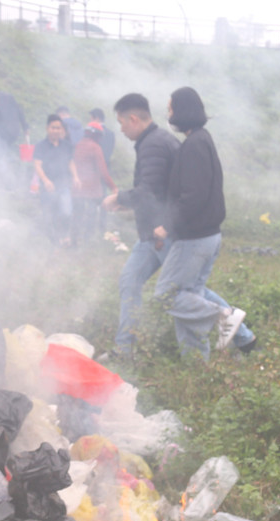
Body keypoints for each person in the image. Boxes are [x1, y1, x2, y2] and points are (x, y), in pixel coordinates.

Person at [102, 93, 255, 361]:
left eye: (121, 123)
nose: (121, 129)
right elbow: (165, 189)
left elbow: (171, 192)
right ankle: (126, 348)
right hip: (156, 231)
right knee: (139, 282)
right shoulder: (168, 141)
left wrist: (123, 200)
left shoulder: (160, 145)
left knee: (180, 293)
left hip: (167, 232)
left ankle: (231, 323)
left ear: (133, 119)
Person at [151, 87, 250, 360]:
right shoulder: (201, 140)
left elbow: (193, 197)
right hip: (208, 235)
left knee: (167, 295)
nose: (169, 114)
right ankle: (196, 365)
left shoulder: (194, 146)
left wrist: (167, 225)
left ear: (182, 111)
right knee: (190, 295)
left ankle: (224, 315)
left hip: (194, 238)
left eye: (171, 109)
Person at [33, 115, 75, 244]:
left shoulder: (67, 145)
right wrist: (46, 180)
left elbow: (71, 162)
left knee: (66, 212)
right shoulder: (41, 146)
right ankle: (52, 241)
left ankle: (64, 235)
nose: (56, 130)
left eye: (58, 128)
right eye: (53, 128)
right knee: (48, 215)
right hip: (48, 187)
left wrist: (76, 176)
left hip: (64, 185)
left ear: (62, 129)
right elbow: (37, 166)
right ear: (47, 128)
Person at [71, 129, 115, 245]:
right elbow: (103, 171)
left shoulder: (77, 145)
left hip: (77, 186)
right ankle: (87, 239)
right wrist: (113, 187)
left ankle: (74, 239)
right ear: (97, 136)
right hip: (92, 188)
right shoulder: (95, 147)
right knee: (91, 212)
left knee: (77, 213)